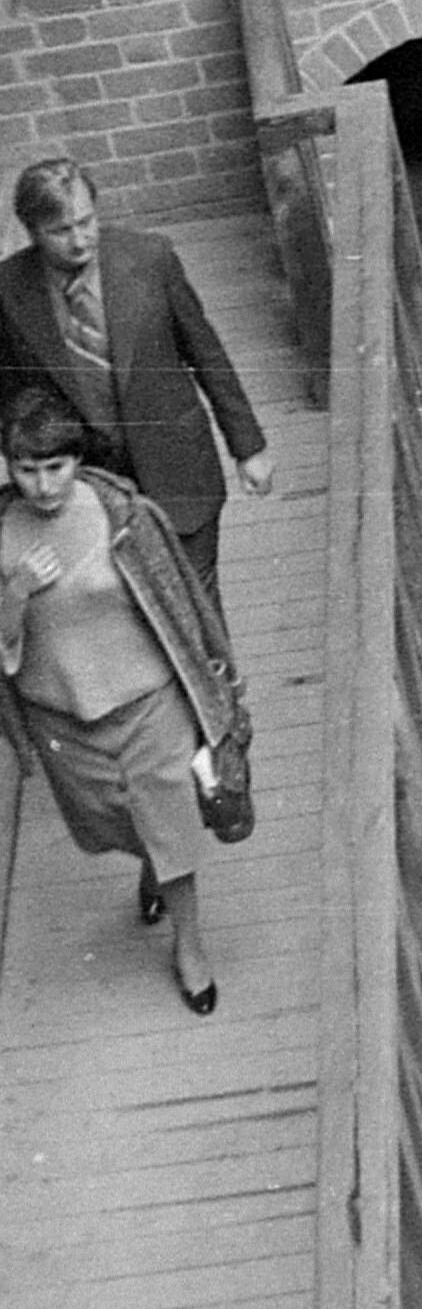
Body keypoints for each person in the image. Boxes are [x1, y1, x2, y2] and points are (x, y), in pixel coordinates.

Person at [0, 388, 248, 1015]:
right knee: (110, 823)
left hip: (147, 705)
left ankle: (189, 946)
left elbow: (183, 605)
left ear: (76, 460)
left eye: (55, 467)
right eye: (27, 469)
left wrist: (219, 688)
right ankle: (152, 862)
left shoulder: (124, 516)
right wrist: (15, 594)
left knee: (171, 825)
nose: (43, 485)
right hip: (64, 721)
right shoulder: (2, 532)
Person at [0, 156, 273, 595]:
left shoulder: (150, 259)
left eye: (86, 222)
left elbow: (206, 353)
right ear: (32, 231)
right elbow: (10, 401)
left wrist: (248, 446)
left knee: (195, 602)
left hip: (178, 470)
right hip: (89, 489)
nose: (79, 240)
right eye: (61, 231)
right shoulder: (9, 291)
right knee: (127, 607)